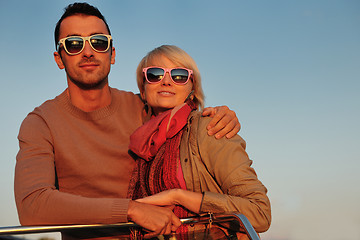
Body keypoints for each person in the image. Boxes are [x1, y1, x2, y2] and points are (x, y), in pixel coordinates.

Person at [14, 2, 241, 239]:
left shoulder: (145, 109)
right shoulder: (40, 123)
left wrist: (220, 114)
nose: (88, 52)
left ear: (112, 54)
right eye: (73, 44)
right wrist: (131, 210)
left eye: (98, 41)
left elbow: (187, 120)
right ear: (59, 59)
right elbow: (32, 205)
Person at [127, 45, 271, 239]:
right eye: (155, 74)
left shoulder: (210, 128)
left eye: (179, 75)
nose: (167, 82)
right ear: (143, 91)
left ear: (192, 90)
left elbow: (259, 212)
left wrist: (178, 196)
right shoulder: (140, 143)